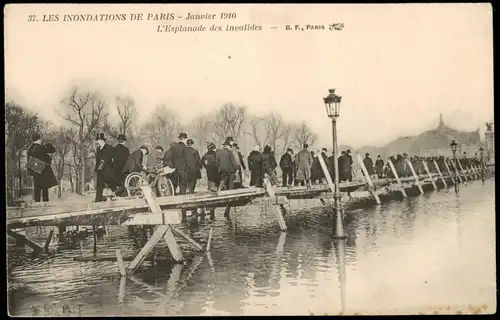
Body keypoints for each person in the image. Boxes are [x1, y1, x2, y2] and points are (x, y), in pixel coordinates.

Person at [94, 133, 115, 202]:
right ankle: (98, 200)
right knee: (99, 186)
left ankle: (110, 198)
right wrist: (96, 168)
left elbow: (106, 159)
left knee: (108, 186)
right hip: (100, 171)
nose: (97, 142)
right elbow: (97, 160)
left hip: (107, 170)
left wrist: (100, 166)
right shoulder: (98, 149)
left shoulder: (109, 147)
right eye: (97, 140)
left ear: (102, 140)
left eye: (98, 140)